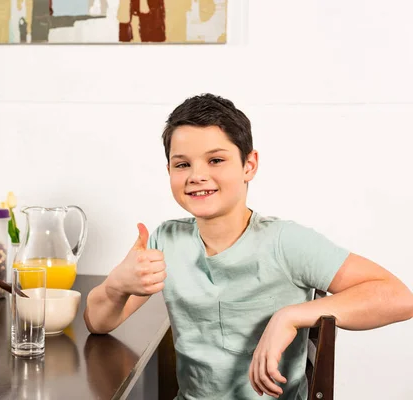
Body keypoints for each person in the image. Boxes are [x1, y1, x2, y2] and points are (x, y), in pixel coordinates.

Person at [83, 93, 413, 399]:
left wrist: (291, 316)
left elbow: (398, 297)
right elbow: (98, 322)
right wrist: (116, 286)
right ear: (169, 170)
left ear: (249, 165)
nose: (197, 175)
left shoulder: (286, 242)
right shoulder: (164, 241)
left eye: (215, 160)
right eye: (182, 164)